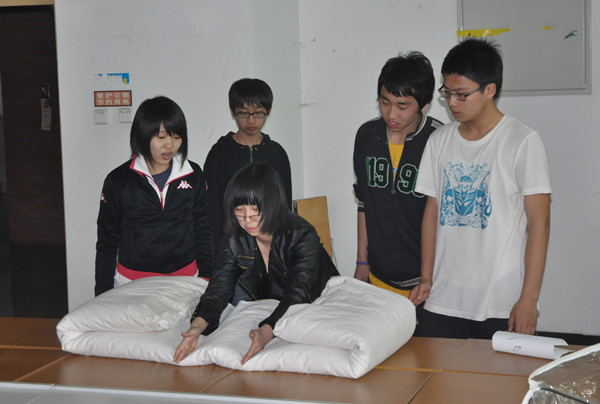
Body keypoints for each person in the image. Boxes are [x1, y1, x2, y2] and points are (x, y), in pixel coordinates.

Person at [409, 38, 552, 339]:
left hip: (501, 301)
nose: (452, 103)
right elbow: (432, 213)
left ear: (490, 89)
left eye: (462, 94)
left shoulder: (522, 141)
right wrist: (426, 277)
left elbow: (539, 226)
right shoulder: (439, 140)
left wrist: (529, 299)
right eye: (447, 93)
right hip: (443, 297)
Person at [174, 163, 338, 364]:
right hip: (274, 308)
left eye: (255, 209)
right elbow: (218, 290)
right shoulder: (234, 238)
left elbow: (298, 294)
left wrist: (267, 331)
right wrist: (196, 328)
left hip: (319, 304)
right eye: (239, 209)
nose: (247, 219)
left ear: (273, 204)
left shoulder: (302, 235)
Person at [94, 96, 214, 296]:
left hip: (185, 279)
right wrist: (103, 294)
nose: (170, 145)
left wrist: (208, 277)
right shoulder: (118, 181)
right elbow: (107, 242)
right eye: (161, 137)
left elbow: (203, 228)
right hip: (133, 283)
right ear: (143, 135)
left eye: (177, 137)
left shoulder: (193, 175)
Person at [353, 52, 443, 300]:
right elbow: (364, 202)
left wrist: (429, 277)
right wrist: (362, 261)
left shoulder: (438, 140)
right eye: (385, 102)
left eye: (402, 106)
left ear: (424, 104)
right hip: (377, 277)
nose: (391, 114)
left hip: (427, 281)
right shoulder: (367, 136)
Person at [204, 78, 292, 250]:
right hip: (231, 246)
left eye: (258, 113)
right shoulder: (219, 153)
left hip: (270, 246)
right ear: (232, 112)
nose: (251, 121)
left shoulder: (276, 153)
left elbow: (285, 205)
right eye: (243, 113)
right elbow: (212, 208)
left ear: (269, 111)